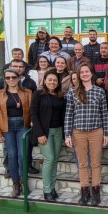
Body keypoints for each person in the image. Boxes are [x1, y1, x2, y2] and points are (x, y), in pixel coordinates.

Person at [64, 63, 108, 206]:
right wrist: (67, 134)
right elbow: (68, 114)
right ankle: (84, 191)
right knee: (83, 164)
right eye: (81, 72)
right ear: (78, 75)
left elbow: (104, 114)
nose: (84, 74)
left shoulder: (99, 92)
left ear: (91, 73)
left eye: (87, 71)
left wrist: (106, 133)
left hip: (96, 132)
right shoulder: (72, 92)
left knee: (96, 163)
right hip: (78, 133)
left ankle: (96, 191)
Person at [0, 69, 32, 198]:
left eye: (13, 77)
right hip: (7, 126)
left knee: (22, 155)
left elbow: (32, 109)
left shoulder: (27, 93)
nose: (11, 80)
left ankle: (24, 181)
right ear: (4, 79)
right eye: (7, 78)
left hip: (22, 125)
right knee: (12, 155)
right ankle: (16, 183)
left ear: (19, 78)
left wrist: (33, 122)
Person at [30, 69, 65, 202]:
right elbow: (33, 113)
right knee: (49, 159)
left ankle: (52, 187)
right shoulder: (38, 94)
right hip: (44, 132)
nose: (52, 82)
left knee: (55, 159)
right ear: (44, 81)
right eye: (49, 80)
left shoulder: (60, 95)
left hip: (58, 131)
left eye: (55, 80)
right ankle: (46, 190)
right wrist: (39, 133)